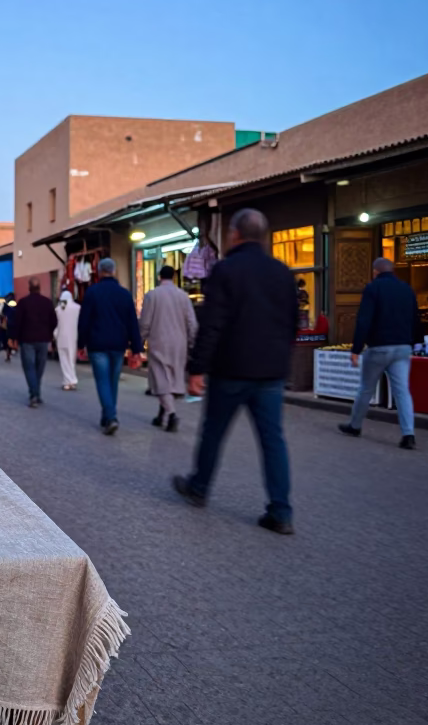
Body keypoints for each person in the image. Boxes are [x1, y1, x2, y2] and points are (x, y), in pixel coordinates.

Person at [172, 208, 299, 535]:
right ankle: (281, 511)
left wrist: (198, 368)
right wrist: (282, 359)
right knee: (273, 441)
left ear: (235, 234)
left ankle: (199, 488)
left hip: (232, 369)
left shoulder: (226, 271)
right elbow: (292, 325)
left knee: (213, 431)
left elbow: (212, 324)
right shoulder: (282, 273)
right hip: (270, 372)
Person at [339, 257, 421, 449]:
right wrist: (416, 343)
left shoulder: (373, 288)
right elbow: (415, 319)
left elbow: (364, 320)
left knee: (366, 389)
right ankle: (408, 434)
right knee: (402, 391)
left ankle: (355, 425)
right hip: (402, 347)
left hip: (379, 347)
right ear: (392, 271)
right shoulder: (407, 289)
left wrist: (356, 349)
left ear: (375, 271)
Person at [77, 257, 142, 433]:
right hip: (118, 344)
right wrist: (137, 348)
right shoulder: (124, 294)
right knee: (112, 382)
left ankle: (110, 417)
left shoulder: (92, 292)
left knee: (102, 382)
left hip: (97, 344)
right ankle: (108, 416)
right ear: (114, 271)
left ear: (99, 271)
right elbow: (132, 322)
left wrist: (80, 344)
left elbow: (84, 321)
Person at [139, 265, 197, 432]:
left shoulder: (152, 295)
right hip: (180, 343)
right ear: (174, 277)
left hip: (159, 341)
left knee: (161, 380)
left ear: (159, 277)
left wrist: (140, 340)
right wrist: (193, 342)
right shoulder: (183, 296)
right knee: (173, 378)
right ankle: (161, 415)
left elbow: (145, 322)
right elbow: (192, 323)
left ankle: (171, 414)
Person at [14, 278, 58, 407]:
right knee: (39, 367)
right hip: (43, 339)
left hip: (27, 339)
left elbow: (17, 322)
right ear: (39, 288)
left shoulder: (23, 303)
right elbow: (54, 321)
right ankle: (36, 393)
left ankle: (34, 394)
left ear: (29, 288)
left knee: (29, 367)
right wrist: (49, 333)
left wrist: (14, 337)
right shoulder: (47, 303)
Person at [53, 290, 81, 390]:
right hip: (73, 337)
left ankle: (68, 381)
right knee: (71, 360)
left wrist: (54, 335)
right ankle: (72, 380)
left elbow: (55, 325)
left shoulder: (58, 309)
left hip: (61, 338)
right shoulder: (77, 308)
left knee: (64, 360)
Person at [1, 294, 17, 361]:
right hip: (14, 324)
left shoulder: (6, 304)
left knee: (6, 339)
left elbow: (3, 312)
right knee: (11, 338)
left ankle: (8, 353)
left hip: (7, 324)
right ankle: (10, 351)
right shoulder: (15, 305)